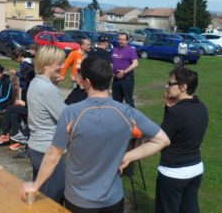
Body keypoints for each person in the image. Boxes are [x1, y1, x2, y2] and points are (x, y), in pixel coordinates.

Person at [22, 57, 170, 213]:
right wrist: (129, 156)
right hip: (113, 200)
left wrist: (35, 185)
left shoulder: (71, 113)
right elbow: (162, 140)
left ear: (86, 82)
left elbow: (53, 156)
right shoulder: (126, 112)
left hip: (80, 201)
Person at [156, 67, 208, 213]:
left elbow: (162, 137)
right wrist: (169, 107)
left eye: (170, 83)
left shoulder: (177, 112)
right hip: (195, 169)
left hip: (173, 172)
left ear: (183, 87)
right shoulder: (201, 107)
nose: (167, 86)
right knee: (189, 208)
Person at [26, 45, 66, 204]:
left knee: (42, 196)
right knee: (53, 200)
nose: (62, 66)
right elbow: (65, 117)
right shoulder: (47, 88)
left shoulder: (36, 82)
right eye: (59, 63)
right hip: (47, 151)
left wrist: (55, 84)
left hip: (36, 146)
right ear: (47, 65)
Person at [112, 32, 139, 108]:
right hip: (116, 79)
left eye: (123, 40)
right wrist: (111, 71)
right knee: (116, 101)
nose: (121, 41)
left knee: (129, 100)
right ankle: (118, 117)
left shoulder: (131, 50)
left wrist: (124, 72)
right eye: (119, 39)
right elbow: (111, 62)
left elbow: (135, 63)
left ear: (127, 41)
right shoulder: (115, 49)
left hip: (127, 79)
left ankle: (133, 118)